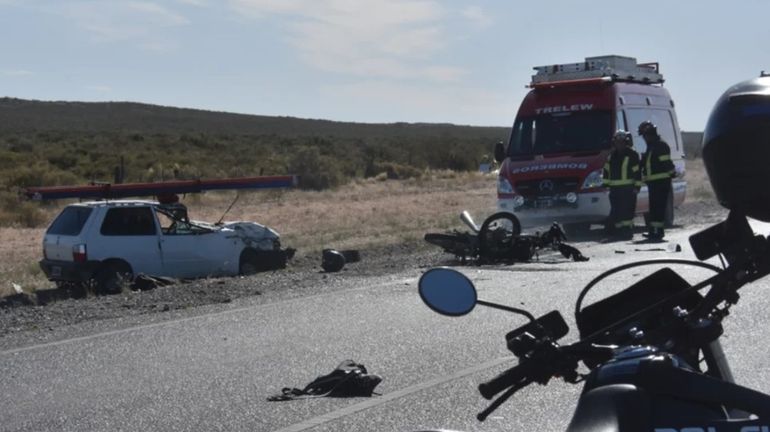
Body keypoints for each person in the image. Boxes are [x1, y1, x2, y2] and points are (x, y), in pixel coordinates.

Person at [638, 121, 675, 240]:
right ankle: (654, 231)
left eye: (644, 136)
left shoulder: (660, 146)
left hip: (661, 183)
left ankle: (658, 233)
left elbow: (666, 163)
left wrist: (672, 173)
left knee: (658, 208)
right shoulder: (652, 146)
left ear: (649, 135)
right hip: (653, 183)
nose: (644, 138)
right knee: (654, 208)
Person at [603, 130, 642, 240]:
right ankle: (619, 232)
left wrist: (637, 186)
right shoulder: (611, 156)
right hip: (614, 189)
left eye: (622, 142)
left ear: (626, 142)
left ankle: (627, 232)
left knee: (627, 212)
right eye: (617, 142)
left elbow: (637, 172)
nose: (619, 144)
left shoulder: (632, 154)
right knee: (616, 211)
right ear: (614, 143)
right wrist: (605, 184)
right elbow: (606, 171)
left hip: (628, 189)